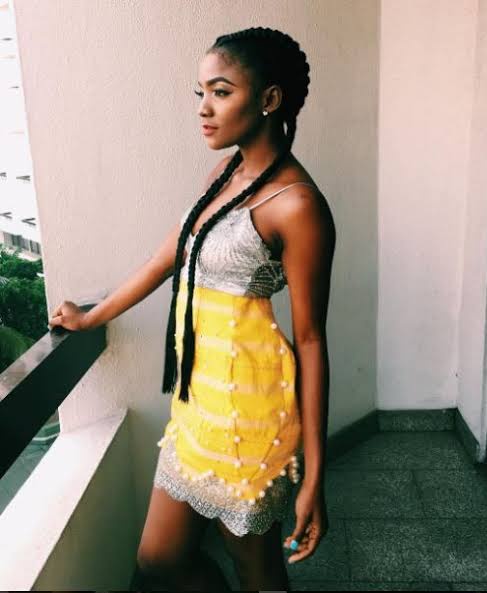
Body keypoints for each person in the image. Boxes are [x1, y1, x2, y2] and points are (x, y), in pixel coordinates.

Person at [49, 26, 335, 592]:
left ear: (269, 99)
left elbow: (310, 340)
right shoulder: (225, 173)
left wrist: (314, 478)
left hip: (250, 412)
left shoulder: (298, 204)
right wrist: (91, 317)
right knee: (159, 560)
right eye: (200, 92)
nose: (204, 108)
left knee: (257, 568)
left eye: (221, 92)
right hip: (196, 403)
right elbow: (167, 259)